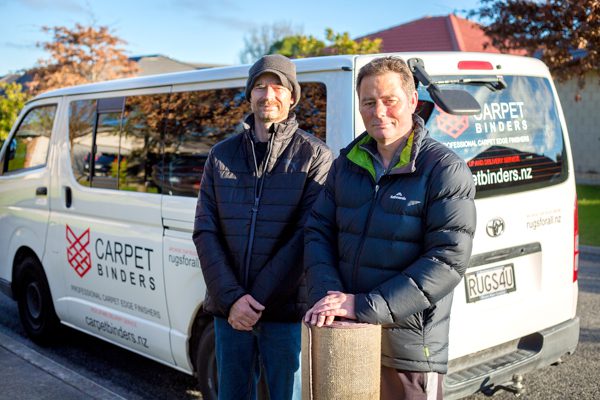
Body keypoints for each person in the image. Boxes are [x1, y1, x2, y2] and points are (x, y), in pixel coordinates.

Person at [304, 56, 476, 400]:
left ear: (412, 101)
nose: (379, 112)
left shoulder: (444, 169)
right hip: (347, 339)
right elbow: (317, 231)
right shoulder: (346, 164)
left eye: (389, 100)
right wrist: (330, 297)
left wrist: (362, 305)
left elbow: (447, 260)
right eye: (369, 102)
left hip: (407, 351)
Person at [193, 54, 333, 400]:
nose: (268, 95)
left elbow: (306, 236)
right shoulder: (221, 155)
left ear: (292, 97)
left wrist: (255, 300)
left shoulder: (315, 156)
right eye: (259, 86)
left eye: (278, 87)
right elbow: (205, 231)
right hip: (230, 314)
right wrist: (233, 299)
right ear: (249, 94)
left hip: (285, 313)